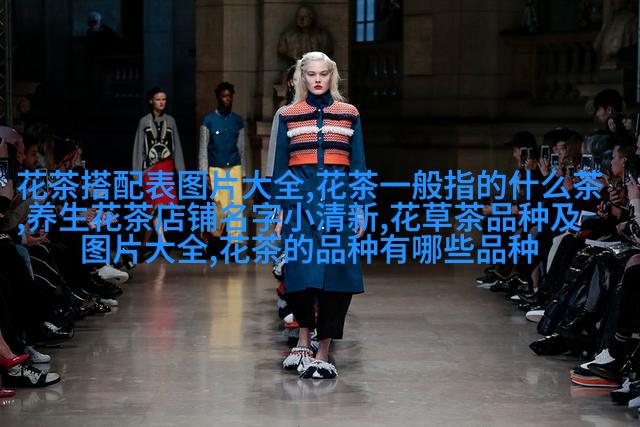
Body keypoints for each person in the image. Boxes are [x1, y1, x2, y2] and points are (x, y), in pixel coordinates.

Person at [271, 51, 368, 379]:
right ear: (302, 76)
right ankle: (303, 339)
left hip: (338, 205)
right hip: (299, 206)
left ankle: (323, 352)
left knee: (336, 280)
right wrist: (279, 209)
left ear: (332, 76)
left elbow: (358, 164)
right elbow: (281, 167)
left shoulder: (349, 114)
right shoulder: (288, 115)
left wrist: (361, 206)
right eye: (311, 74)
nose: (317, 79)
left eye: (323, 74)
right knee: (299, 277)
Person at [132, 87, 185, 248]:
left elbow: (176, 147)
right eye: (158, 99)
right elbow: (139, 149)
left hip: (166, 168)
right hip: (150, 169)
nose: (161, 102)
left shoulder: (171, 121)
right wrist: (136, 175)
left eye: (164, 99)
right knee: (155, 203)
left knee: (157, 206)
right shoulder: (144, 121)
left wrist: (181, 172)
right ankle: (161, 238)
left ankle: (145, 243)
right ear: (151, 101)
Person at [199, 82, 246, 244]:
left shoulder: (237, 121)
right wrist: (204, 174)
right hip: (216, 168)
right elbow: (203, 149)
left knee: (235, 206)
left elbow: (241, 149)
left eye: (230, 96)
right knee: (218, 206)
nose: (227, 99)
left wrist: (243, 174)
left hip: (234, 167)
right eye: (224, 96)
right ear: (218, 97)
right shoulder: (209, 121)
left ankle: (234, 243)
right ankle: (213, 235)